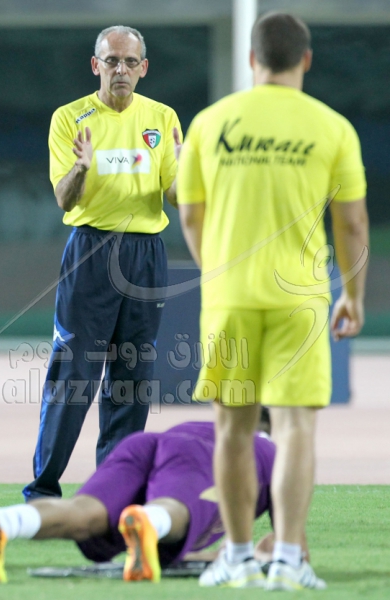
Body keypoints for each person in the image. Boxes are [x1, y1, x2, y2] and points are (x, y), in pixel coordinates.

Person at [177, 12, 368, 592]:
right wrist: (353, 295)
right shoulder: (332, 127)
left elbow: (190, 215)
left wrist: (218, 274)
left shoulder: (210, 123)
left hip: (230, 298)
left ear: (252, 60)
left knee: (233, 429)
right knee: (295, 429)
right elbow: (352, 224)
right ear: (305, 60)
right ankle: (287, 558)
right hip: (300, 303)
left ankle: (237, 557)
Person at [23, 25, 182, 501]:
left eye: (130, 62)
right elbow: (64, 199)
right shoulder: (70, 118)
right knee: (73, 373)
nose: (121, 70)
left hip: (145, 256)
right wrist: (81, 167)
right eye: (112, 61)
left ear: (143, 68)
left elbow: (175, 196)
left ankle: (115, 493)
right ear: (96, 65)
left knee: (132, 378)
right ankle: (43, 492)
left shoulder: (162, 117)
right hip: (91, 251)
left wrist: (189, 172)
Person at [0, 420, 276, 584]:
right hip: (200, 457)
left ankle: (2, 522)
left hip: (146, 443)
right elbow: (287, 543)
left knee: (83, 512)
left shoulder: (211, 424)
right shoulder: (273, 453)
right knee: (174, 508)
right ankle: (149, 520)